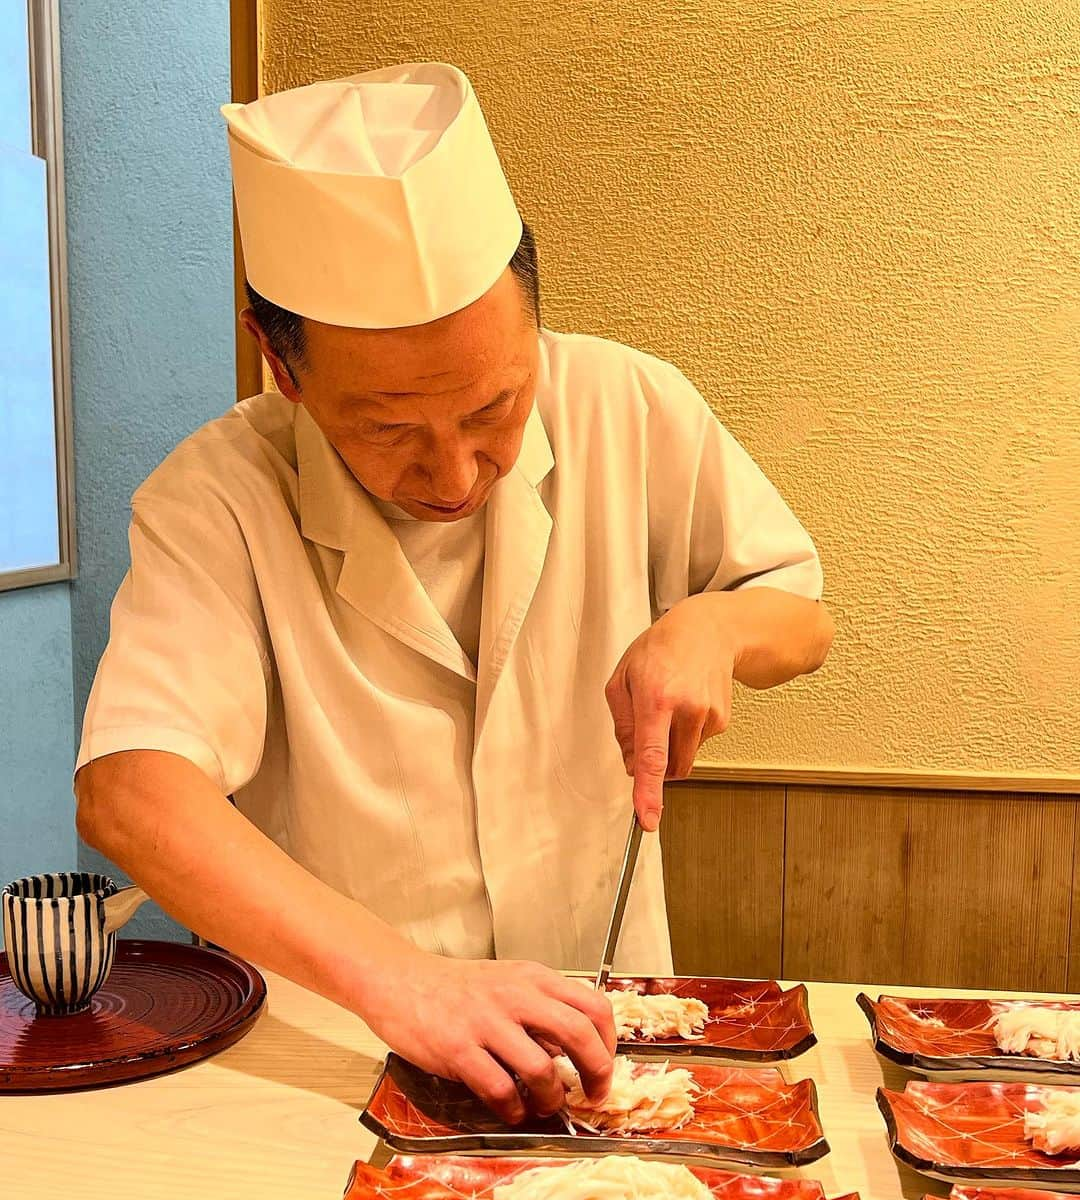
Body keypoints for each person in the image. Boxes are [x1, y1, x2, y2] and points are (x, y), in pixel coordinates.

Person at [74, 63, 833, 1123]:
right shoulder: (216, 496)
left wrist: (711, 625)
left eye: (496, 407)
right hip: (330, 1053)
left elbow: (800, 613)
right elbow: (130, 791)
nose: (456, 473)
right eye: (388, 429)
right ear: (281, 367)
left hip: (607, 1036)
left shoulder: (630, 404)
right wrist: (404, 982)